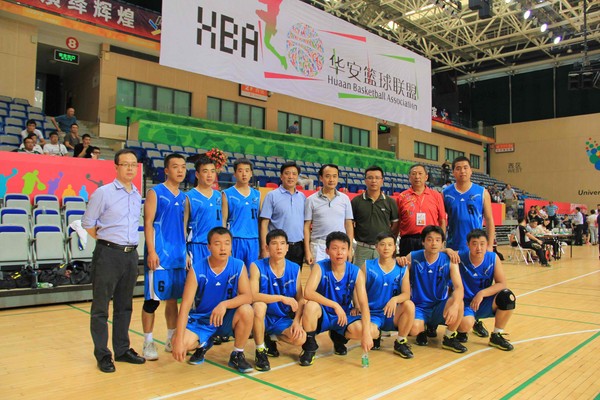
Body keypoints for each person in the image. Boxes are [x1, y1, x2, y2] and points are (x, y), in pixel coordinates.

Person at [81, 149, 145, 373]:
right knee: (101, 307)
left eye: (133, 164)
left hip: (131, 255)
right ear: (116, 167)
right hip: (108, 254)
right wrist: (107, 241)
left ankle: (122, 349)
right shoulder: (103, 192)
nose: (130, 168)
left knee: (124, 306)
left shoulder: (136, 194)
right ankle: (103, 354)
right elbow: (88, 223)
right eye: (125, 164)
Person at [171, 227, 254, 372]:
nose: (223, 248)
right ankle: (204, 343)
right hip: (201, 320)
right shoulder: (197, 269)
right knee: (180, 343)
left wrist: (224, 304)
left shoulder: (238, 265)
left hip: (225, 318)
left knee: (247, 310)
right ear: (208, 246)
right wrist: (178, 340)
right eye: (217, 243)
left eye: (227, 243)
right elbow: (184, 307)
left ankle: (237, 354)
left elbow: (248, 296)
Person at [299, 231, 375, 366]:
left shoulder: (356, 272)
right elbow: (308, 292)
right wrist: (335, 305)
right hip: (323, 313)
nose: (339, 253)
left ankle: (339, 337)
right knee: (310, 306)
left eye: (343, 249)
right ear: (327, 251)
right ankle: (309, 347)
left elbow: (364, 304)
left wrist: (366, 334)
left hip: (343, 315)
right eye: (335, 248)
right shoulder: (320, 267)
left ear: (349, 251)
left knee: (370, 331)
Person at [141, 154, 189, 361]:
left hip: (178, 256)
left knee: (172, 300)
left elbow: (185, 228)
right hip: (160, 255)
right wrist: (152, 251)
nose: (180, 170)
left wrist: (186, 252)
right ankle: (148, 342)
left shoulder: (184, 197)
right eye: (175, 167)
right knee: (152, 301)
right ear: (166, 170)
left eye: (183, 167)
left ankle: (170, 339)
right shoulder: (155, 192)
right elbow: (148, 223)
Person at [397, 225, 466, 353]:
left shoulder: (449, 260)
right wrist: (398, 259)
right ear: (423, 242)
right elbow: (397, 269)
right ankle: (422, 330)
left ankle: (449, 337)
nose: (434, 243)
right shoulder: (413, 257)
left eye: (437, 240)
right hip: (419, 307)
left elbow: (459, 287)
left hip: (439, 305)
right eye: (429, 239)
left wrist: (455, 306)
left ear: (442, 243)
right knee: (414, 329)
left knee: (459, 302)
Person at [249, 229, 306, 371]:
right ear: (267, 247)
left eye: (282, 243)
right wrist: (281, 298)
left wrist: (297, 322)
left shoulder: (295, 269)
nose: (279, 247)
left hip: (281, 319)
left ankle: (270, 337)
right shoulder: (256, 266)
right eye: (274, 243)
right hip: (261, 317)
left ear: (287, 247)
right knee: (259, 306)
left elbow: (301, 299)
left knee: (300, 338)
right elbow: (252, 295)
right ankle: (260, 350)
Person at [457, 229, 515, 351]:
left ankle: (496, 335)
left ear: (487, 244)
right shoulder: (460, 257)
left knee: (507, 297)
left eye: (482, 244)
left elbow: (502, 283)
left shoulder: (493, 258)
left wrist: (482, 293)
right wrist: (447, 250)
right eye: (474, 244)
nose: (479, 248)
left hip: (483, 301)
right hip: (465, 304)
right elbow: (439, 254)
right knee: (465, 325)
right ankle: (462, 331)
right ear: (468, 245)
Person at [359, 232, 415, 358]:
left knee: (409, 305)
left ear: (395, 247)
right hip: (372, 314)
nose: (386, 248)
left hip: (392, 313)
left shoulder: (402, 268)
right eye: (382, 244)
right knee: (364, 332)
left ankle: (400, 342)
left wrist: (395, 299)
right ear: (376, 247)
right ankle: (376, 335)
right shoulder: (367, 266)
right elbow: (357, 291)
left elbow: (406, 294)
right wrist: (358, 306)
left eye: (390, 245)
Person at [304, 164, 354, 265]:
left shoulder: (345, 199)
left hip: (339, 246)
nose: (331, 180)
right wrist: (307, 251)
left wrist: (349, 249)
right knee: (318, 275)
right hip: (318, 246)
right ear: (321, 178)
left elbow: (349, 225)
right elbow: (306, 227)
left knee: (338, 274)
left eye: (334, 176)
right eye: (327, 176)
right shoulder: (311, 200)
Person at [260, 161, 306, 267]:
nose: (291, 177)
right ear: (281, 176)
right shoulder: (272, 196)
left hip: (298, 247)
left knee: (295, 276)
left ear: (297, 177)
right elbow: (264, 224)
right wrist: (264, 248)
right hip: (278, 246)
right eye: (287, 173)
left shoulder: (302, 197)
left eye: (294, 174)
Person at [351, 166, 399, 267]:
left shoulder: (390, 202)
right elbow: (350, 224)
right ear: (365, 180)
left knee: (382, 275)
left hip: (383, 249)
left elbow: (395, 225)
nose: (373, 181)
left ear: (382, 181)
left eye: (377, 178)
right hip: (362, 249)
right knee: (360, 276)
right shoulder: (356, 201)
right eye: (370, 178)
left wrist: (387, 241)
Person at [396, 164, 446, 256]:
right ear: (409, 177)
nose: (417, 177)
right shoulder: (402, 197)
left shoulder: (436, 196)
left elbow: (442, 220)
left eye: (420, 173)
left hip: (430, 240)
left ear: (426, 177)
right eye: (414, 174)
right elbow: (397, 221)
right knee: (407, 265)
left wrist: (442, 241)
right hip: (408, 241)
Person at [223, 159, 261, 269]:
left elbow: (259, 220)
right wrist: (225, 243)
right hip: (235, 239)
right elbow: (223, 220)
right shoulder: (227, 194)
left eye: (247, 171)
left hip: (253, 240)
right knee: (235, 272)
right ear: (234, 174)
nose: (244, 174)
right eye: (240, 171)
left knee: (251, 274)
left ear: (251, 173)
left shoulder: (257, 194)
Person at [186, 154, 225, 263]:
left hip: (216, 247)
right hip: (197, 247)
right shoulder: (189, 197)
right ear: (197, 174)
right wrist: (184, 253)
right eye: (205, 171)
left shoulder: (219, 196)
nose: (209, 175)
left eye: (212, 171)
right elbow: (181, 228)